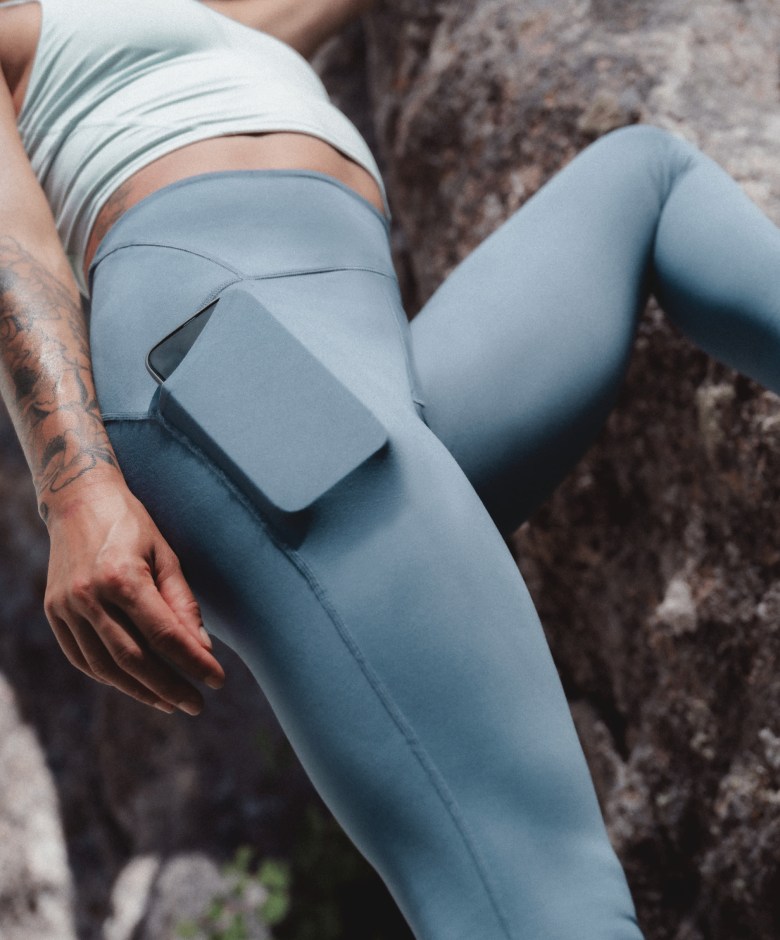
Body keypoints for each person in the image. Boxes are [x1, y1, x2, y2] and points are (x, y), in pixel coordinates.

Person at [1, 0, 778, 937]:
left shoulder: (181, 21)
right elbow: (16, 244)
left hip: (367, 372)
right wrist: (76, 486)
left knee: (641, 181)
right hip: (224, 356)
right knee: (543, 896)